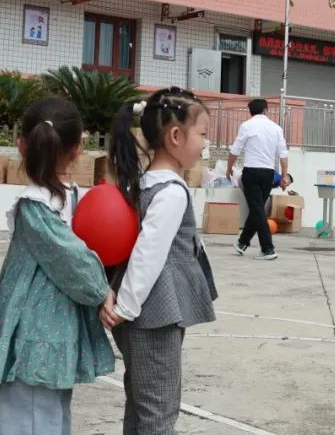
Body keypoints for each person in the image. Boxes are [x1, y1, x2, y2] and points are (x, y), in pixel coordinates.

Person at [0, 98, 115, 434]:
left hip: (37, 332)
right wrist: (102, 292)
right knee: (45, 415)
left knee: (31, 415)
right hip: (46, 332)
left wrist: (101, 291)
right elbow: (72, 258)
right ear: (77, 149)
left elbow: (72, 257)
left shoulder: (45, 203)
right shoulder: (47, 204)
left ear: (21, 145)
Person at [104, 87, 218, 434]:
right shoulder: (170, 191)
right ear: (174, 136)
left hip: (140, 313)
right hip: (155, 315)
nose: (204, 144)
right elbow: (148, 254)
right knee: (159, 410)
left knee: (141, 405)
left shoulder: (141, 184)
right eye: (202, 134)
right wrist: (125, 305)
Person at [226, 99, 290, 260]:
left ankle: (268, 249)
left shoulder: (247, 126)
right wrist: (283, 176)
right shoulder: (276, 128)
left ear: (250, 111)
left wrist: (229, 169)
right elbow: (283, 154)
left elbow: (235, 151)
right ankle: (242, 242)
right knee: (257, 209)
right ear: (266, 110)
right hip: (268, 174)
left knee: (257, 210)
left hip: (252, 173)